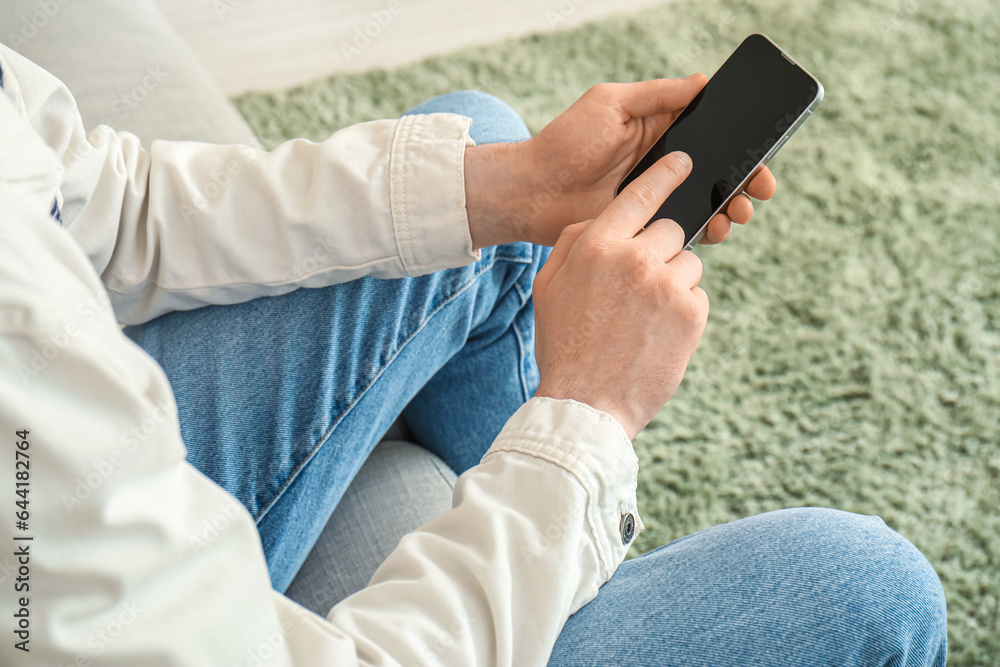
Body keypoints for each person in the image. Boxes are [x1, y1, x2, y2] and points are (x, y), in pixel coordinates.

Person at [0, 34, 946, 666]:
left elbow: (87, 198)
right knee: (866, 585)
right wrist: (587, 420)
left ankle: (544, 563)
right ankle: (553, 556)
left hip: (74, 492)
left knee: (485, 166)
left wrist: (513, 185)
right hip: (74, 560)